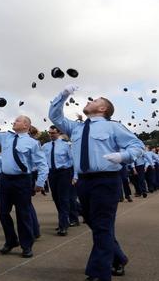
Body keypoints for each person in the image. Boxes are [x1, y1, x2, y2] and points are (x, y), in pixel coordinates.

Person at [49, 85, 144, 280]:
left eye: (95, 100)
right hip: (83, 182)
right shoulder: (76, 127)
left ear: (103, 109)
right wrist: (63, 95)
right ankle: (118, 258)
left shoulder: (113, 126)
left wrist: (122, 156)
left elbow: (137, 146)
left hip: (105, 180)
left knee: (101, 226)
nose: (90, 101)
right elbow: (55, 117)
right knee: (97, 224)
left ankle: (99, 273)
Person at [0, 115, 48, 258]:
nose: (14, 121)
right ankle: (11, 240)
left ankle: (26, 245)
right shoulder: (6, 137)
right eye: (14, 120)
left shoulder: (32, 143)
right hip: (4, 180)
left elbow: (42, 163)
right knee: (2, 212)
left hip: (22, 181)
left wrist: (40, 182)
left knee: (23, 213)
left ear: (26, 125)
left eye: (18, 120)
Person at [42, 125, 74, 236]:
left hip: (64, 173)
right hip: (52, 174)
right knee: (56, 198)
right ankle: (64, 220)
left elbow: (72, 160)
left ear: (59, 133)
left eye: (53, 133)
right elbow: (42, 160)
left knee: (63, 198)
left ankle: (63, 225)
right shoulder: (45, 146)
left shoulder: (66, 146)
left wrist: (73, 176)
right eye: (50, 133)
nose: (51, 135)